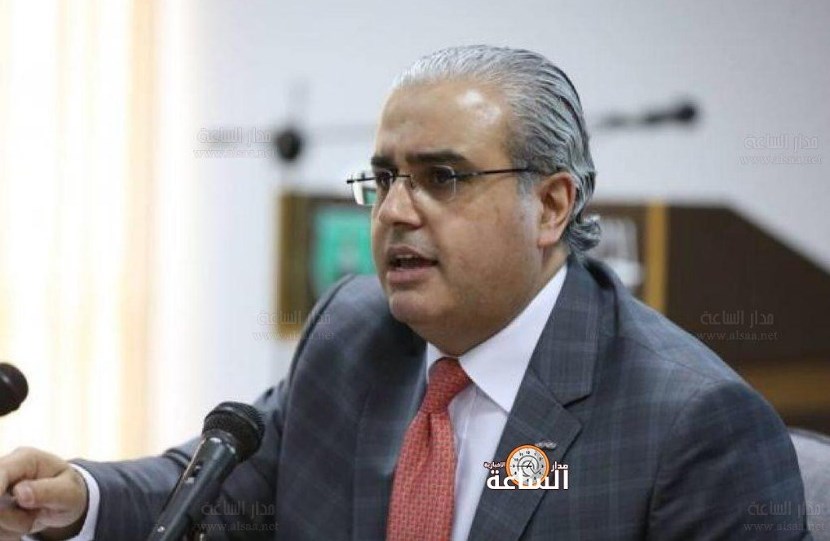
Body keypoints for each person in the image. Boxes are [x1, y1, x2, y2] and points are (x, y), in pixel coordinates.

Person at [0, 45, 810, 540]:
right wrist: (78, 498)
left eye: (442, 177)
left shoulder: (691, 423)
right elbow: (227, 489)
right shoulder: (355, 331)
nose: (393, 211)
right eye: (384, 178)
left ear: (552, 205)